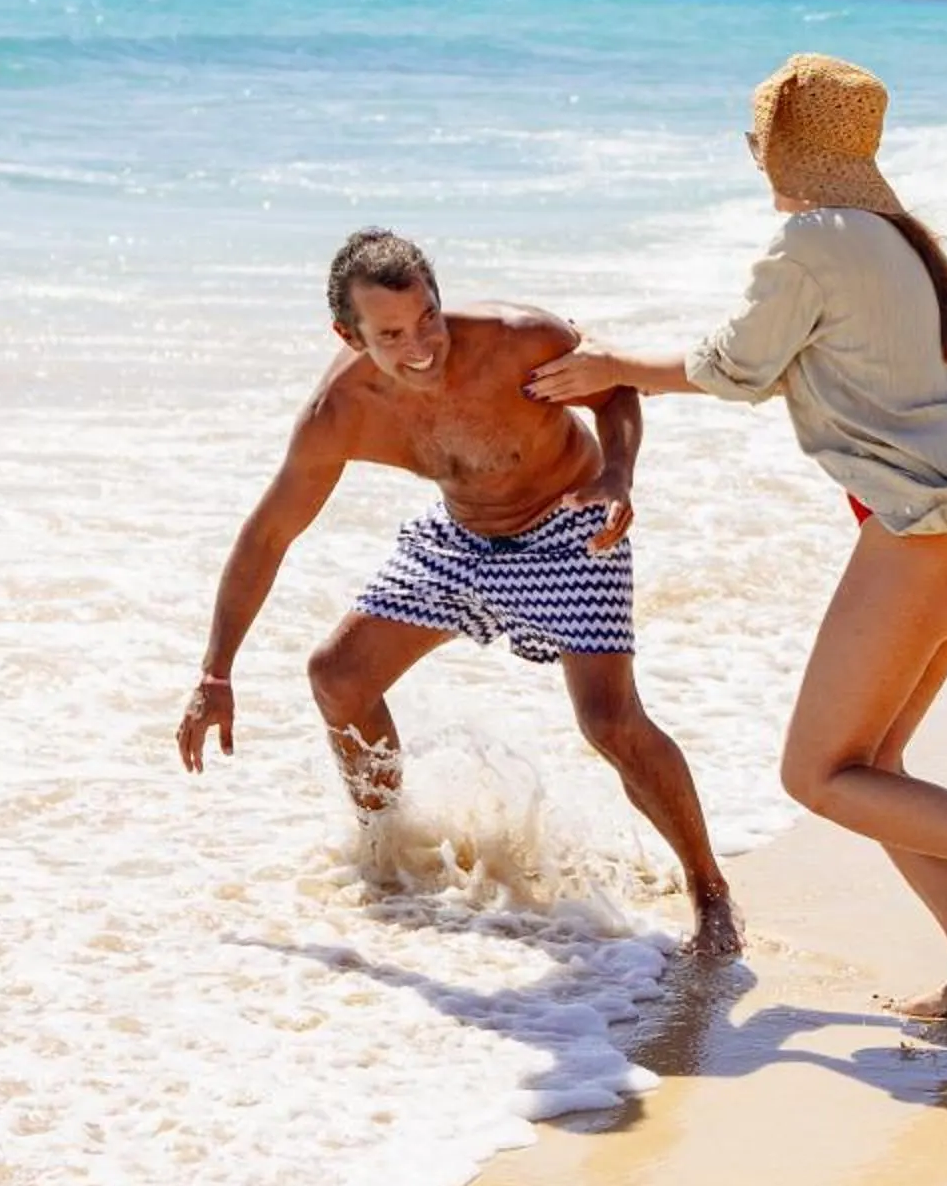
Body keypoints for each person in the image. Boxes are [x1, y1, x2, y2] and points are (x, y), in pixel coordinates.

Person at [529, 54, 947, 1020]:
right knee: (873, 771)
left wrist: (611, 364)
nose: (752, 154)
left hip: (921, 538)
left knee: (818, 775)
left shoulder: (815, 240)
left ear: (782, 145)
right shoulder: (896, 238)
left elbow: (738, 366)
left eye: (758, 137)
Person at [176, 227, 739, 957]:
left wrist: (619, 474)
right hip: (461, 537)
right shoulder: (339, 414)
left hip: (572, 526)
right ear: (347, 335)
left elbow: (616, 387)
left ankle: (711, 892)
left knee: (609, 721)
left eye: (428, 319)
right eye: (390, 334)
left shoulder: (519, 341)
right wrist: (216, 669)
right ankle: (389, 859)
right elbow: (269, 534)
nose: (421, 346)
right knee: (337, 676)